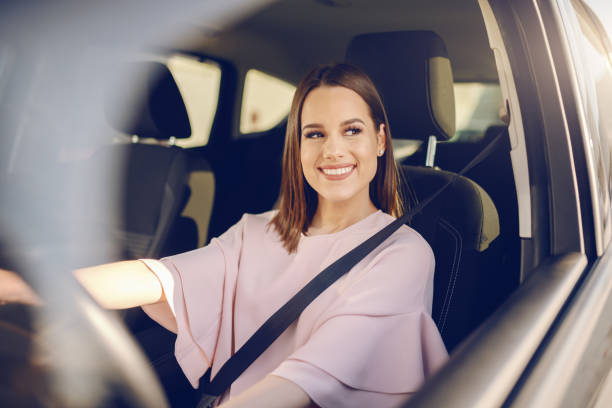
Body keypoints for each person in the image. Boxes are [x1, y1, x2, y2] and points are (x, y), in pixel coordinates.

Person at [0, 63, 448, 407]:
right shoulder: (259, 231)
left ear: (381, 140)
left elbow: (310, 381)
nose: (332, 150)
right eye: (315, 134)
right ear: (298, 146)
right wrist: (25, 288)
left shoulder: (403, 254)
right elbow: (158, 278)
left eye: (352, 130)